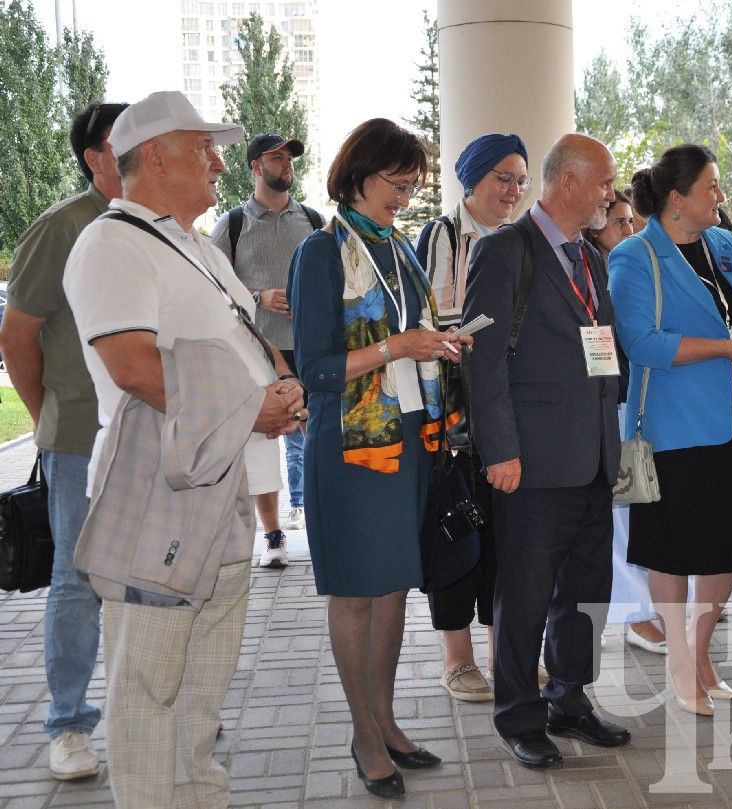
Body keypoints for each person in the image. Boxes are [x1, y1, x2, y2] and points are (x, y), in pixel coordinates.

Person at [62, 90, 305, 807]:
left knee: (199, 695)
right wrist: (247, 406)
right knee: (148, 690)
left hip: (217, 484)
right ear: (157, 155)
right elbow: (134, 365)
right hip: (157, 492)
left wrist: (280, 387)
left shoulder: (193, 244)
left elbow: (243, 338)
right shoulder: (110, 243)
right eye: (204, 148)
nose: (220, 163)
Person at [289, 118, 469, 797]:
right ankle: (364, 734)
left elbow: (410, 331)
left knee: (393, 588)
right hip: (353, 448)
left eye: (414, 184)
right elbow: (316, 368)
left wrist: (443, 344)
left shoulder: (400, 248)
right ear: (359, 175)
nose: (405, 194)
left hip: (411, 439)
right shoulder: (322, 252)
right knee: (359, 595)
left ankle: (387, 722)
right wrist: (400, 347)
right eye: (397, 182)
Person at [462, 133, 630, 769]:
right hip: (529, 461)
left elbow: (604, 344)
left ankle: (570, 698)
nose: (610, 195)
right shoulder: (506, 251)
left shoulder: (591, 256)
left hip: (591, 456)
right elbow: (483, 363)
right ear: (568, 183)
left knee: (587, 588)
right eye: (604, 183)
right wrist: (499, 448)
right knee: (526, 594)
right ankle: (518, 716)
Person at [609, 144, 732, 716]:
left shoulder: (725, 244)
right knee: (673, 549)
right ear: (677, 199)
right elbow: (640, 342)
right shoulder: (636, 257)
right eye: (711, 186)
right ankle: (680, 660)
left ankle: (702, 657)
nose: (721, 197)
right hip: (674, 424)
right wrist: (728, 346)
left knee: (728, 547)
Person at [0, 101, 126, 781]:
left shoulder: (156, 226)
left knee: (150, 575)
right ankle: (69, 723)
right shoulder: (62, 227)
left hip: (150, 431)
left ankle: (147, 701)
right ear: (95, 157)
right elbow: (18, 336)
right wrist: (49, 416)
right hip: (79, 434)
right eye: (124, 140)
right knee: (77, 578)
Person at [415, 133, 530, 703]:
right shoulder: (441, 237)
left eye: (519, 179)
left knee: (507, 541)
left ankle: (499, 652)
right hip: (456, 417)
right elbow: (428, 318)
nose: (512, 190)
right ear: (473, 180)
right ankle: (456, 660)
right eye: (502, 178)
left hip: (510, 409)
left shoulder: (522, 243)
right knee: (460, 534)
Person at [211, 133, 324, 568]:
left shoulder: (313, 221)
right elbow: (213, 286)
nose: (287, 164)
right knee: (261, 445)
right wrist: (258, 296)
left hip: (311, 350)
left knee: (316, 438)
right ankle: (273, 537)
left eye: (290, 157)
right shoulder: (232, 224)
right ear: (256, 167)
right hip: (256, 352)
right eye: (276, 158)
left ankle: (321, 527)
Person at [585, 190, 668, 653]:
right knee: (622, 517)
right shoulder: (596, 275)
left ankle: (648, 607)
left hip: (636, 405)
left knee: (639, 512)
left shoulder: (625, 270)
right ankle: (634, 616)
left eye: (632, 221)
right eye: (618, 222)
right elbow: (600, 354)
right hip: (610, 407)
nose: (629, 230)